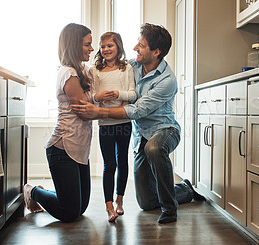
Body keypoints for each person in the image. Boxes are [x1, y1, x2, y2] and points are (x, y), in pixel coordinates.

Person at [71, 23, 205, 224]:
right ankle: (185, 190)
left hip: (165, 129)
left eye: (141, 45)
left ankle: (170, 209)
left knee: (154, 148)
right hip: (141, 133)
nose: (135, 48)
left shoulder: (167, 80)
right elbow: (112, 71)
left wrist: (99, 111)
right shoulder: (132, 67)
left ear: (156, 51)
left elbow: (137, 110)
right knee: (146, 201)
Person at [23, 23, 94, 222]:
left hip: (79, 148)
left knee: (80, 208)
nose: (92, 48)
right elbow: (85, 113)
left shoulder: (82, 70)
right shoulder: (68, 73)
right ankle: (33, 191)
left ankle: (49, 194)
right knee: (69, 212)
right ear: (74, 45)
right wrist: (113, 112)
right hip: (62, 148)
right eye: (88, 44)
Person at [90, 32, 136, 222]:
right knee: (109, 164)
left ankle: (119, 201)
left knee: (122, 161)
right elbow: (92, 96)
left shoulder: (126, 68)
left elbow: (133, 95)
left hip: (124, 123)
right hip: (105, 124)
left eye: (110, 45)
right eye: (103, 46)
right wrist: (99, 97)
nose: (106, 49)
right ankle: (109, 206)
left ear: (118, 46)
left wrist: (118, 94)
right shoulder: (95, 70)